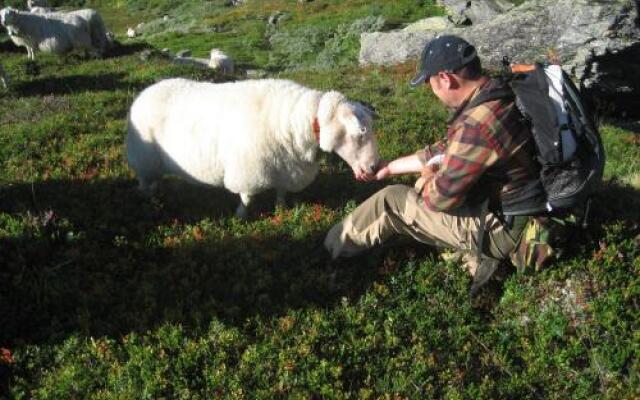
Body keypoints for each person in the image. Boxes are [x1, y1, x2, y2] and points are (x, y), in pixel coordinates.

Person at [324, 35, 547, 293]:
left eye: (430, 83)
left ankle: (329, 250)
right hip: (529, 206)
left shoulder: (477, 126)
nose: (432, 92)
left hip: (507, 229)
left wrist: (426, 176)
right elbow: (449, 147)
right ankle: (470, 255)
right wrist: (391, 167)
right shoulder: (497, 92)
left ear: (445, 78)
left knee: (391, 201)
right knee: (416, 187)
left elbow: (439, 200)